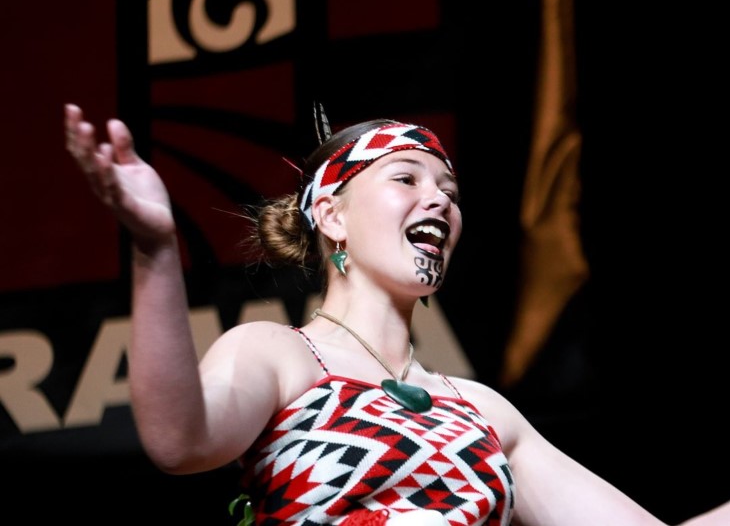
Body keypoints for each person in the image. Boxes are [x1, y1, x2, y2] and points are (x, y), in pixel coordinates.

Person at [64, 103, 729, 526]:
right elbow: (180, 441)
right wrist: (154, 249)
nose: (439, 200)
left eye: (450, 191)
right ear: (330, 215)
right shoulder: (279, 354)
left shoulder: (484, 412)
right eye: (406, 178)